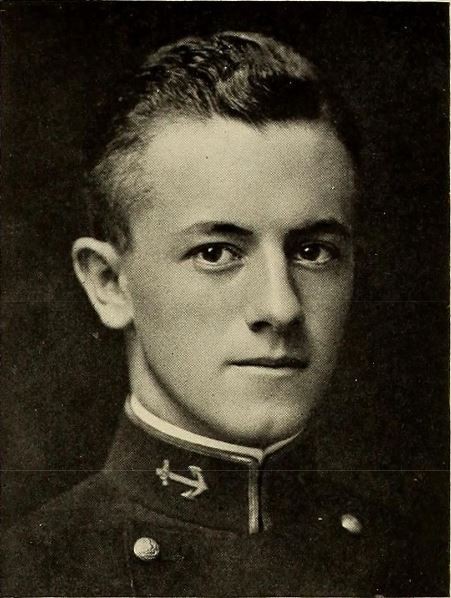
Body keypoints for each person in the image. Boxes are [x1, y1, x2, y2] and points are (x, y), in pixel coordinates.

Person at [2, 31, 444, 597]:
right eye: (216, 253)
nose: (280, 307)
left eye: (312, 251)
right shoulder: (27, 575)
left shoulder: (421, 566)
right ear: (110, 283)